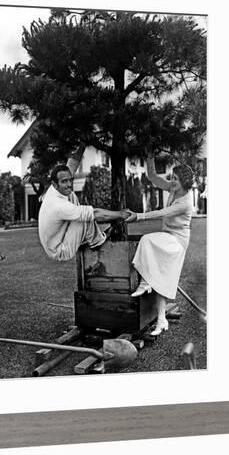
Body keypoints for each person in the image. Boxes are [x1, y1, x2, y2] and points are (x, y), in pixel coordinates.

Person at [125, 149, 194, 336]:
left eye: (176, 179)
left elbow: (161, 213)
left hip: (177, 241)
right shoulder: (173, 188)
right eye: (172, 177)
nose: (172, 181)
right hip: (167, 235)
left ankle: (146, 281)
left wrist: (138, 216)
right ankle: (162, 321)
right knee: (162, 280)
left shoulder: (186, 202)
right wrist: (149, 156)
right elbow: (153, 177)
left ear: (184, 182)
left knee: (146, 239)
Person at [38, 142, 130, 261]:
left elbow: (72, 163)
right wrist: (121, 214)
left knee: (73, 198)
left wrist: (83, 144)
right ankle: (97, 242)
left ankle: (90, 237)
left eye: (70, 180)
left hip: (58, 238)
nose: (69, 184)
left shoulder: (55, 189)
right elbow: (95, 214)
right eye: (64, 182)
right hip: (59, 250)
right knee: (85, 216)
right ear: (54, 184)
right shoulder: (58, 205)